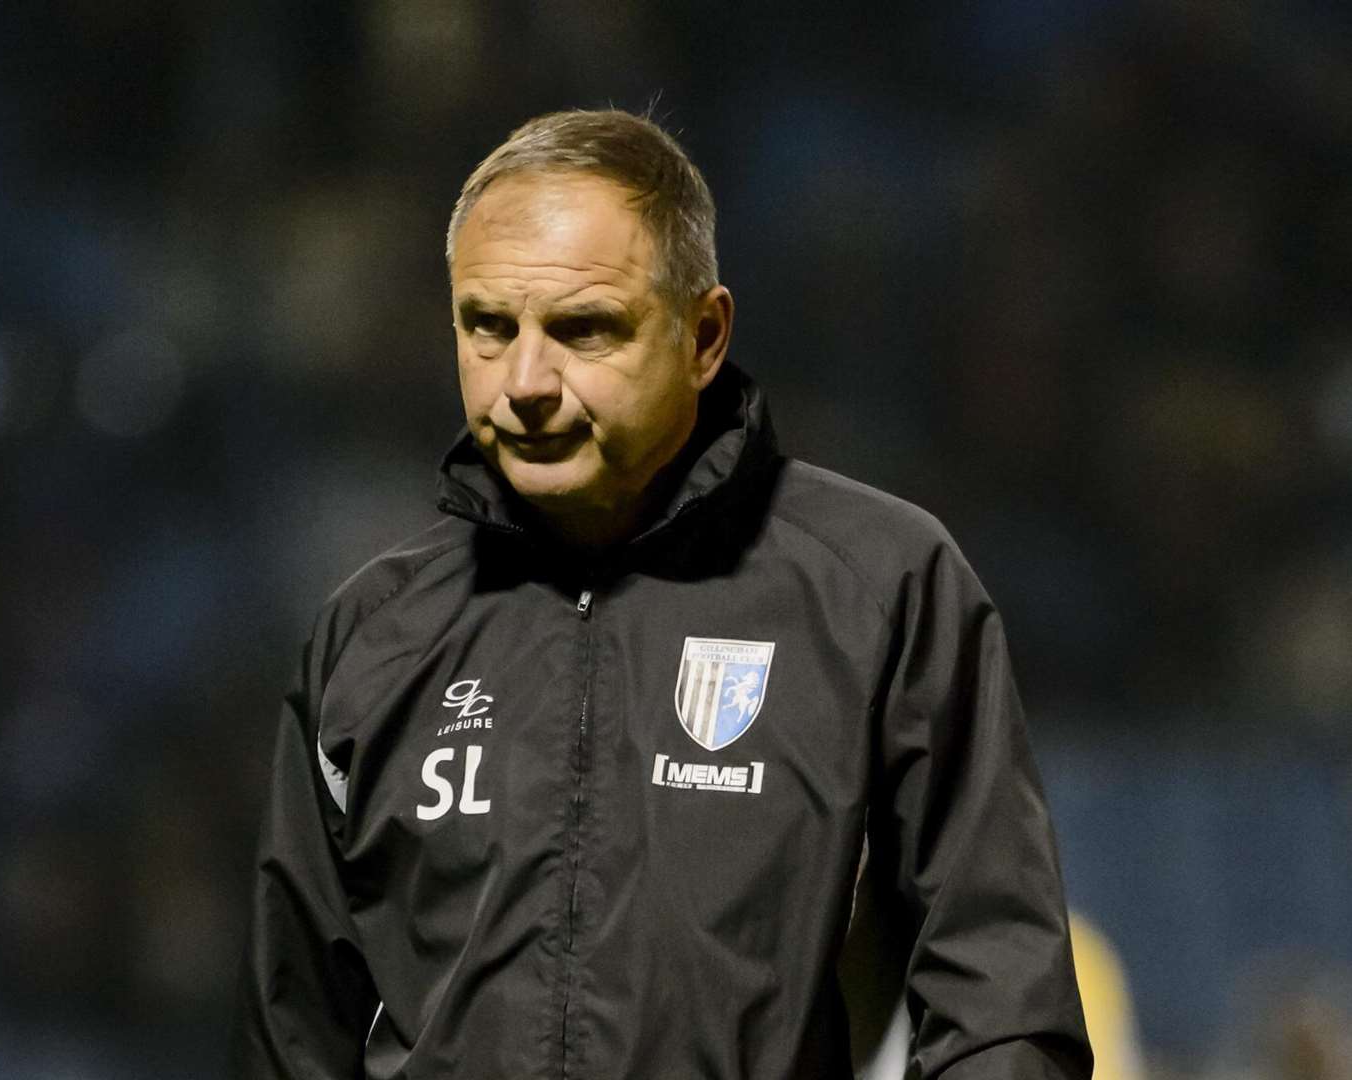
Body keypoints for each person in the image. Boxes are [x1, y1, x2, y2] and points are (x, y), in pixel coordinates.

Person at [232, 108, 1093, 1079]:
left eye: (582, 328)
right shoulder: (372, 632)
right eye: (486, 327)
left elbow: (1001, 1003)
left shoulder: (879, 590)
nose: (524, 381)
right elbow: (291, 1035)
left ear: (704, 334)